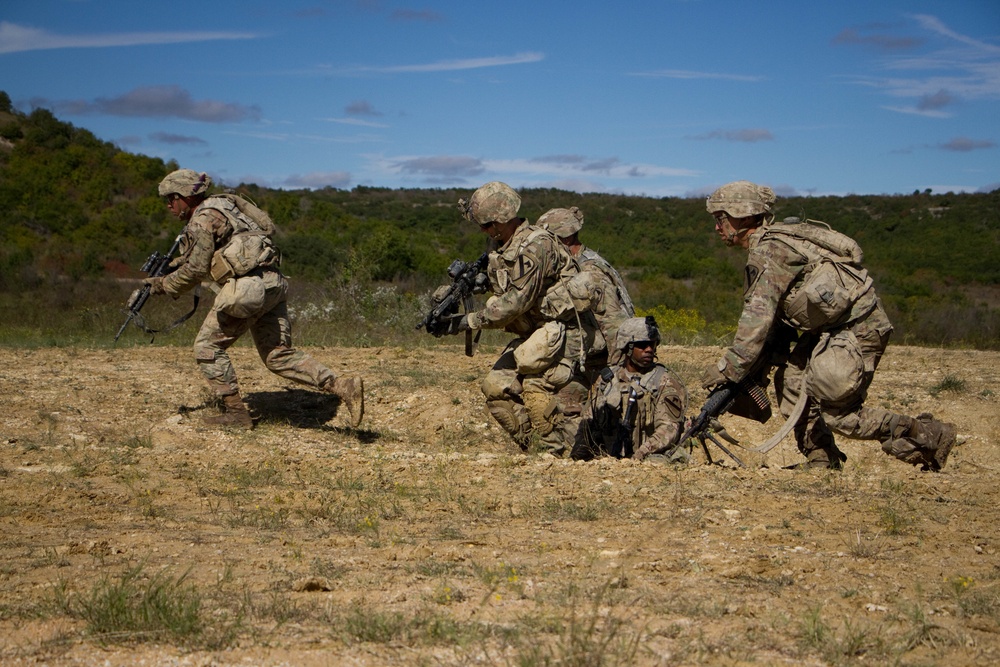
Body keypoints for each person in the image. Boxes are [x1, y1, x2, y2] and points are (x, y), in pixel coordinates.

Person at [702, 180, 958, 470]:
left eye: (721, 218)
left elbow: (755, 323)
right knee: (792, 385)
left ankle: (928, 436)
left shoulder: (770, 251)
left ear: (745, 216)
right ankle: (821, 459)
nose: (717, 227)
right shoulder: (772, 244)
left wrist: (728, 370)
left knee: (839, 414)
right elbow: (773, 322)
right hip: (828, 330)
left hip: (858, 327)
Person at [144, 168, 364, 429]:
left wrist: (162, 285)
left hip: (249, 289)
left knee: (207, 347)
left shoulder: (201, 219)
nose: (168, 205)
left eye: (171, 198)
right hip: (273, 282)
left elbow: (196, 270)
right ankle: (343, 386)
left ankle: (236, 414)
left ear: (186, 196)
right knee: (277, 355)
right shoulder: (227, 204)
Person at [435, 181, 605, 455]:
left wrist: (467, 321)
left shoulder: (535, 246)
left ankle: (557, 454)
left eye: (487, 225)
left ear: (502, 220)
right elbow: (505, 285)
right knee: (495, 388)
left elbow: (516, 302)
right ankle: (534, 450)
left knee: (536, 390)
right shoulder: (501, 245)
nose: (483, 231)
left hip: (566, 333)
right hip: (535, 335)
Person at [575, 316, 689, 462]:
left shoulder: (662, 381)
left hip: (648, 456)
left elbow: (669, 428)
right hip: (608, 457)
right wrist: (579, 456)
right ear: (627, 346)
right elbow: (588, 421)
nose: (649, 350)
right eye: (642, 345)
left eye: (652, 345)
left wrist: (641, 453)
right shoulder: (607, 380)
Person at [537, 206, 635, 363]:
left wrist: (616, 373)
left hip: (606, 349)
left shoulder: (590, 270)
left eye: (547, 240)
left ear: (567, 239)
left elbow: (614, 325)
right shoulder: (568, 263)